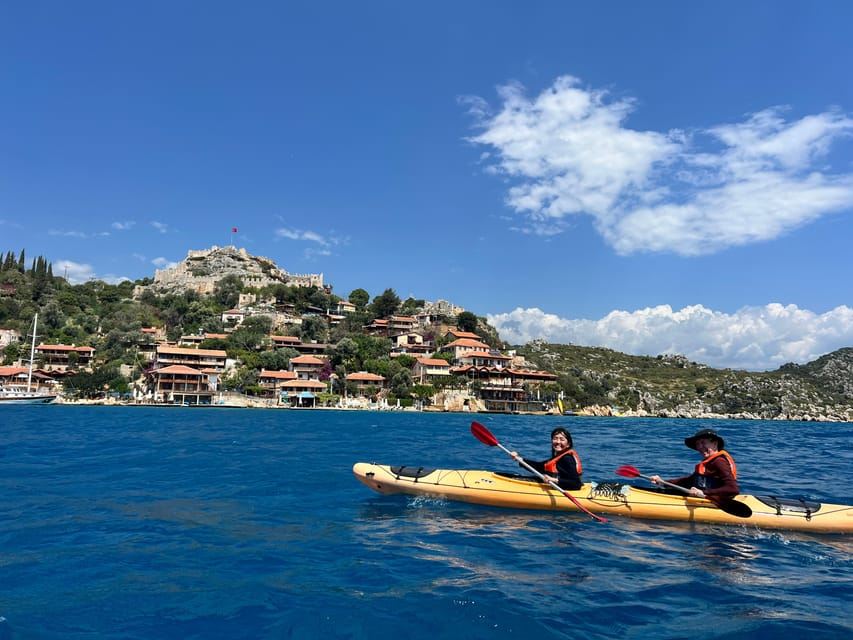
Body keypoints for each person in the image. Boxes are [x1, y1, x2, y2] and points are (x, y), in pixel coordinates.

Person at [650, 428, 739, 502]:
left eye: (703, 443)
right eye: (698, 444)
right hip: (705, 496)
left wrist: (705, 492)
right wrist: (663, 482)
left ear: (715, 444)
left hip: (716, 501)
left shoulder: (719, 461)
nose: (700, 447)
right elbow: (687, 481)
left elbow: (732, 489)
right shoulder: (709, 462)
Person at [510, 427, 583, 490]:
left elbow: (576, 484)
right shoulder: (559, 457)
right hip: (557, 485)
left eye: (562, 439)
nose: (558, 442)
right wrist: (519, 459)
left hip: (564, 489)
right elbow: (539, 467)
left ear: (568, 444)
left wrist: (553, 480)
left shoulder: (567, 459)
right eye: (555, 439)